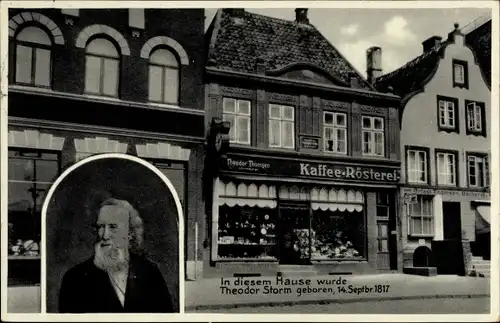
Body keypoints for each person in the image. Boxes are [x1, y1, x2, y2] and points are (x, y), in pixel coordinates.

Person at [58, 197, 175, 313]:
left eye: (113, 227)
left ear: (130, 233)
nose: (104, 235)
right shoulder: (75, 278)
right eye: (101, 227)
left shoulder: (149, 272)